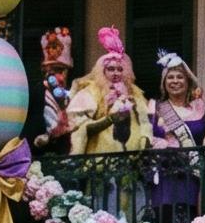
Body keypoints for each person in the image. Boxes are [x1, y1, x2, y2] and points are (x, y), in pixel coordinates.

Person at [147, 51, 205, 222]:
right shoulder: (155, 107)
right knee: (165, 221)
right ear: (164, 82)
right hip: (164, 175)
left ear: (188, 80)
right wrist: (161, 144)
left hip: (192, 174)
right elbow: (145, 137)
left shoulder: (200, 107)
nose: (175, 81)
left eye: (180, 77)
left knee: (192, 222)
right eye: (170, 77)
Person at [68, 27, 151, 157]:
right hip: (100, 159)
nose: (116, 73)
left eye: (119, 69)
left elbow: (146, 122)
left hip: (132, 160)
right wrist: (108, 119)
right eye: (111, 69)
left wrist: (145, 140)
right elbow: (79, 127)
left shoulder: (134, 92)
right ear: (103, 71)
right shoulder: (90, 92)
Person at [33, 28, 77, 160]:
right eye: (52, 71)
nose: (59, 78)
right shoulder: (38, 95)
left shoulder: (73, 95)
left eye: (61, 71)